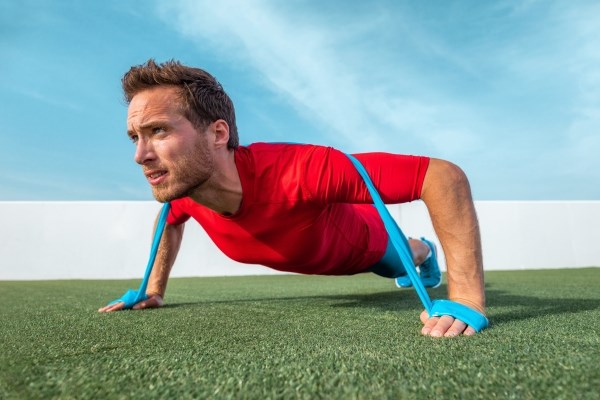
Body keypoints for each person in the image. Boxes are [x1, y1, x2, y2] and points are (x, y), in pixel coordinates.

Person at [99, 59, 486, 338]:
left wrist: (467, 297)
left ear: (217, 134)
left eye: (159, 131)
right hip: (317, 250)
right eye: (136, 137)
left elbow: (442, 176)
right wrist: (153, 289)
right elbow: (170, 219)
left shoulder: (298, 169)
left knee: (401, 259)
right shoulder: (186, 190)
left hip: (364, 243)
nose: (140, 155)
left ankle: (423, 250)